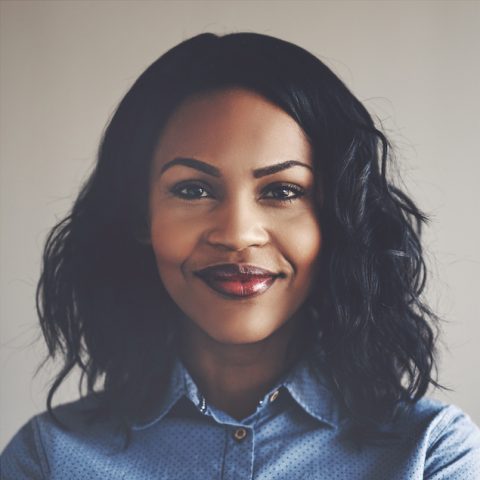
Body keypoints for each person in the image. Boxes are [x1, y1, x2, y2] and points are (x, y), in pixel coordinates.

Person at [2, 32, 479, 479]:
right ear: (138, 216)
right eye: (192, 189)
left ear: (338, 219)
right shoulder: (49, 459)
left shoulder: (431, 452)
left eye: (283, 191)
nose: (237, 234)